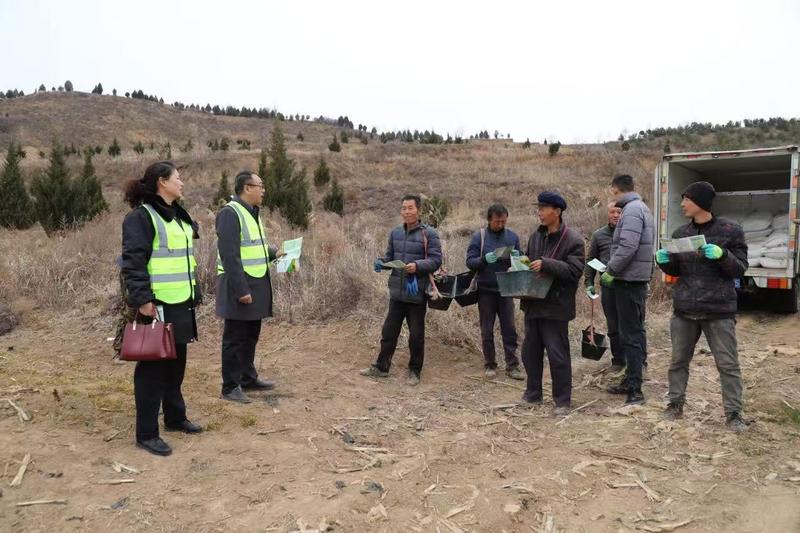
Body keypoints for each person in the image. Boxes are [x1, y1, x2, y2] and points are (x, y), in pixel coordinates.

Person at [120, 161, 203, 456]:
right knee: (152, 370)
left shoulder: (178, 215)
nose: (182, 182)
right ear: (162, 182)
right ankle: (146, 433)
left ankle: (175, 417)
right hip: (156, 305)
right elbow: (133, 262)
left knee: (176, 364)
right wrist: (143, 300)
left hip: (181, 301)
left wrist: (194, 292)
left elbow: (184, 256)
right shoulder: (141, 218)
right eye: (177, 178)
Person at [655, 181, 748, 432]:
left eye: (687, 199)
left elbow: (740, 269)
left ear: (701, 202)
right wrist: (663, 262)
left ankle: (734, 414)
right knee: (678, 361)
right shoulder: (680, 233)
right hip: (685, 308)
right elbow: (676, 270)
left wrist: (723, 255)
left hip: (718, 310)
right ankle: (675, 404)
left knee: (727, 364)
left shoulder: (730, 231)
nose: (682, 204)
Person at [360, 194, 442, 386]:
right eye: (404, 208)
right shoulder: (395, 233)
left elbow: (436, 260)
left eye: (410, 208)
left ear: (419, 210)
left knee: (416, 335)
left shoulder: (429, 234)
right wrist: (382, 263)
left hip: (417, 292)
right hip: (397, 292)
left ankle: (415, 371)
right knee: (389, 332)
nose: (406, 212)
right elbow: (390, 257)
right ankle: (381, 367)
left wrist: (417, 266)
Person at [216, 171, 281, 404]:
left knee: (250, 335)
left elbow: (253, 247)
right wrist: (241, 290)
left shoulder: (252, 212)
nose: (263, 190)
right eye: (260, 185)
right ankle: (230, 387)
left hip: (256, 282)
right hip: (240, 285)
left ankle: (247, 378)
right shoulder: (230, 213)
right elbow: (230, 255)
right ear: (247, 188)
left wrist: (275, 253)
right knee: (235, 338)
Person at [519, 192, 585, 416]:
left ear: (557, 212)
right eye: (538, 208)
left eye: (543, 208)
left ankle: (562, 401)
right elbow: (528, 261)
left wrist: (546, 264)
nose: (539, 212)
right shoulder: (536, 236)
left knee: (558, 356)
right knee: (530, 353)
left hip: (556, 307)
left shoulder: (573, 240)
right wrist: (518, 266)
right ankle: (533, 394)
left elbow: (575, 271)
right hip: (533, 304)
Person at [601, 174, 654, 405]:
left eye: (612, 191)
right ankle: (630, 380)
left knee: (631, 335)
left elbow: (628, 246)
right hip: (634, 279)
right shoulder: (641, 208)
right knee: (633, 332)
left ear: (615, 189)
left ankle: (635, 389)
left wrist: (611, 270)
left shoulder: (632, 210)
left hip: (629, 281)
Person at [465, 204, 525, 380]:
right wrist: (484, 259)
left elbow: (522, 261)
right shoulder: (479, 237)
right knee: (487, 330)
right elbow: (470, 262)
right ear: (489, 220)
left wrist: (518, 257)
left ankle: (512, 366)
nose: (501, 224)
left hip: (506, 290)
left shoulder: (512, 236)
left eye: (504, 221)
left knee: (509, 329)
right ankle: (490, 364)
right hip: (485, 290)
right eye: (497, 221)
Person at [584, 202, 623, 372]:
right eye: (613, 212)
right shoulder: (599, 235)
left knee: (632, 326)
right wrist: (589, 283)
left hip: (629, 287)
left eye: (619, 212)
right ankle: (618, 361)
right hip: (608, 288)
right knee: (613, 326)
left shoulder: (631, 233)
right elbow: (591, 260)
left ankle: (638, 362)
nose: (616, 215)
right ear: (608, 214)